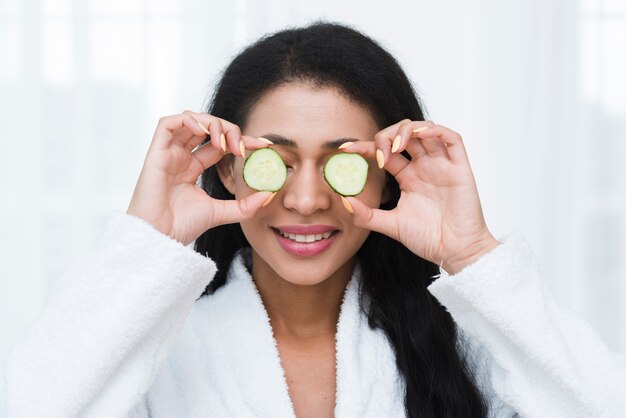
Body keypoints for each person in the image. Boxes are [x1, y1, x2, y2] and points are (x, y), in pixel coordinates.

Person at [3, 21, 625, 418]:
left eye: (341, 164)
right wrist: (145, 246)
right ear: (225, 169)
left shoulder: (464, 345)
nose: (305, 200)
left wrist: (473, 255)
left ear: (387, 174)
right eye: (273, 160)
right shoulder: (154, 347)